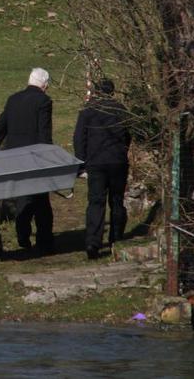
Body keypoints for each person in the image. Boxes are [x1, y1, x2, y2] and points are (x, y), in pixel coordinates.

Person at [0, 67, 54, 252]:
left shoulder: (13, 99)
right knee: (42, 201)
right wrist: (49, 157)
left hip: (15, 158)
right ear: (44, 85)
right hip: (35, 157)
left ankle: (23, 236)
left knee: (23, 198)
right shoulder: (44, 101)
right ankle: (44, 240)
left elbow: (0, 127)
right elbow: (44, 133)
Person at [74, 78, 132, 259]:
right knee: (117, 200)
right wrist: (123, 151)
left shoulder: (88, 110)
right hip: (117, 161)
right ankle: (116, 237)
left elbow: (79, 137)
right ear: (112, 92)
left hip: (96, 162)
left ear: (96, 92)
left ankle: (93, 241)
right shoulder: (121, 109)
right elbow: (128, 134)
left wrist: (81, 163)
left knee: (96, 202)